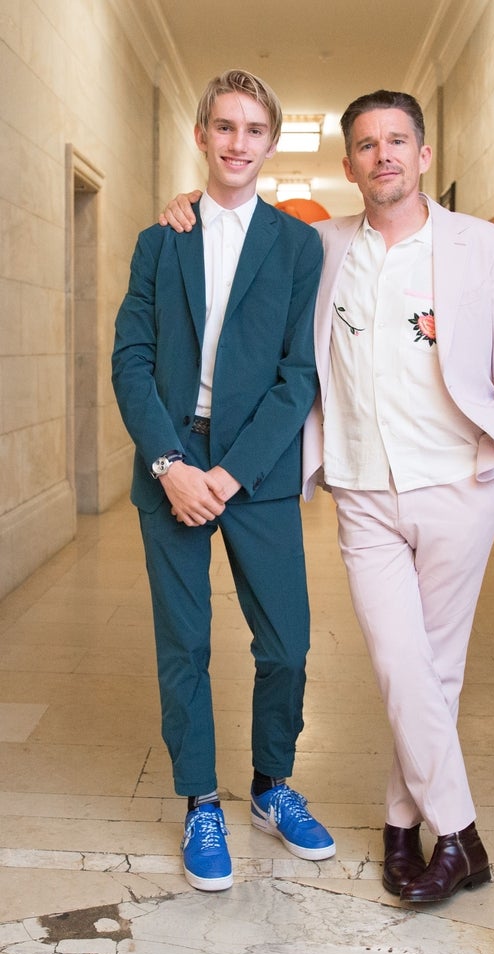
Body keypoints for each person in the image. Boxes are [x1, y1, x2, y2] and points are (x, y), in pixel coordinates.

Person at [161, 88, 494, 903]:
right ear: (349, 166)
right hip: (362, 490)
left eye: (398, 141)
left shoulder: (485, 247)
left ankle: (406, 829)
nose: (385, 157)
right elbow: (238, 227)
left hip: (457, 486)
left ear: (425, 153)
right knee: (401, 662)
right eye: (367, 146)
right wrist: (190, 205)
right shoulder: (318, 245)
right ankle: (463, 835)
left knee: (434, 672)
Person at [112, 69, 335, 895]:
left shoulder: (297, 243)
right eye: (224, 127)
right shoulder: (160, 239)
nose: (238, 142)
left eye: (253, 129)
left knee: (287, 640)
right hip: (172, 453)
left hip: (259, 464)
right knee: (187, 644)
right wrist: (170, 465)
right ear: (203, 135)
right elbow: (130, 359)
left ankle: (273, 785)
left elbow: (297, 373)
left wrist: (232, 474)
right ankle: (203, 799)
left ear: (270, 143)